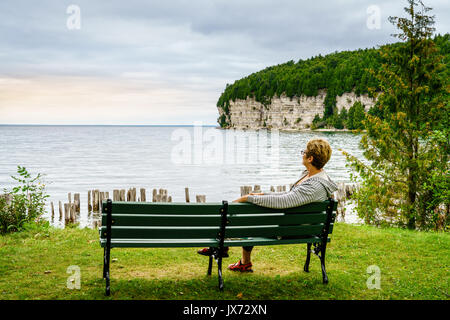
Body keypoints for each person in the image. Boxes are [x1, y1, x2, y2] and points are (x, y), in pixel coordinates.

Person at [197, 138, 338, 273]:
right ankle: (241, 261)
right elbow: (290, 196)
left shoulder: (314, 186)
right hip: (296, 224)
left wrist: (248, 198)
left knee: (249, 221)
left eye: (304, 152)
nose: (302, 154)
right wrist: (262, 195)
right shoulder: (313, 176)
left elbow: (284, 201)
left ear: (310, 159)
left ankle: (222, 246)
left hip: (290, 229)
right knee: (253, 219)